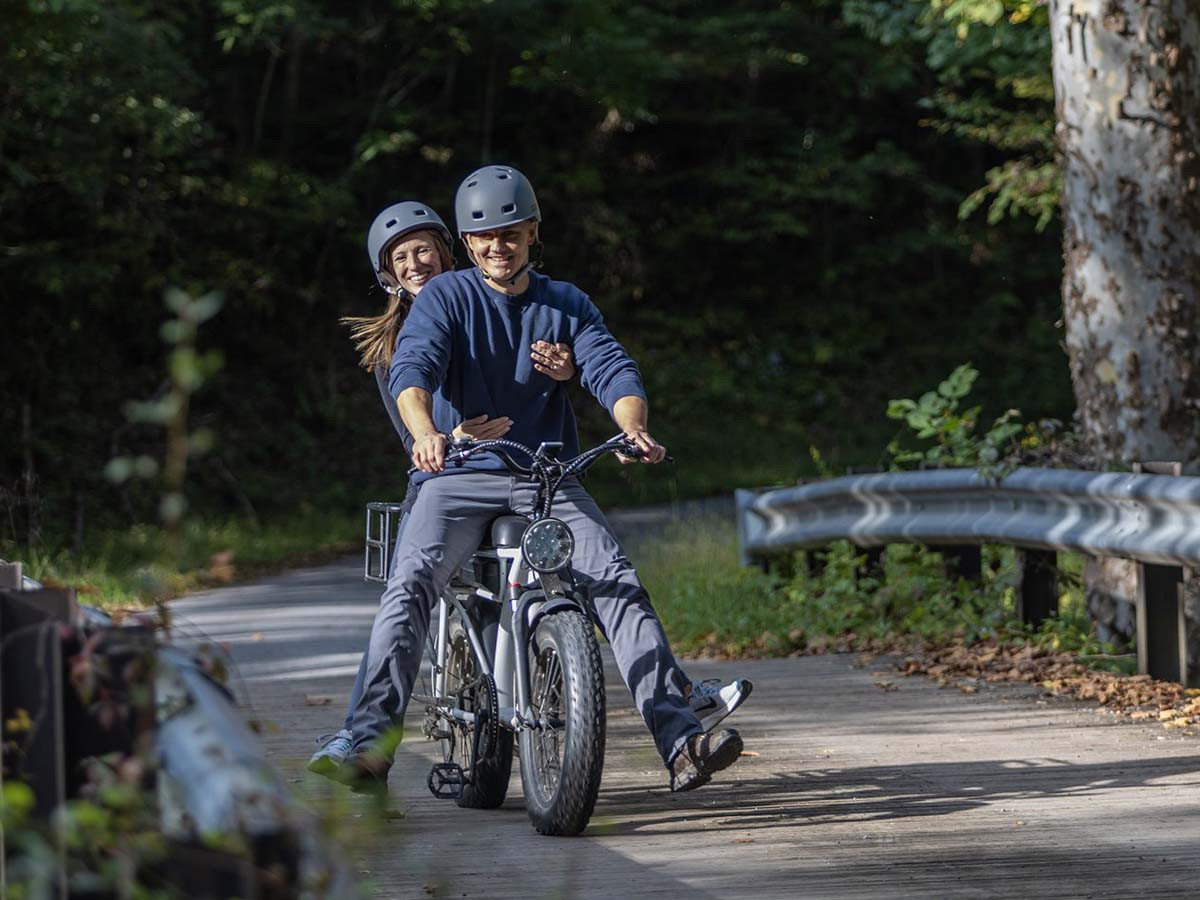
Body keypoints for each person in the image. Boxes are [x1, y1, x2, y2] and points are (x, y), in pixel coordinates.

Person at [338, 166, 750, 795]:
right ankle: (368, 743)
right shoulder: (447, 298)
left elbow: (611, 367)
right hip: (456, 478)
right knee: (410, 586)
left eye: (510, 233)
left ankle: (681, 742)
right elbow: (412, 369)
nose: (498, 247)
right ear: (469, 246)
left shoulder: (566, 302)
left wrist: (632, 427)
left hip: (546, 478)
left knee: (618, 584)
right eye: (485, 237)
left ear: (532, 233)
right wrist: (427, 433)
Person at [307, 200, 576, 776]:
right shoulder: (392, 346)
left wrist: (564, 366)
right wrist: (447, 435)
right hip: (444, 478)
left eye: (422, 249)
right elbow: (412, 437)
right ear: (387, 275)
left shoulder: (481, 305)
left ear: (448, 250)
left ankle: (556, 695)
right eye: (399, 258)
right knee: (407, 596)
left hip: (515, 471)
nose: (414, 263)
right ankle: (365, 739)